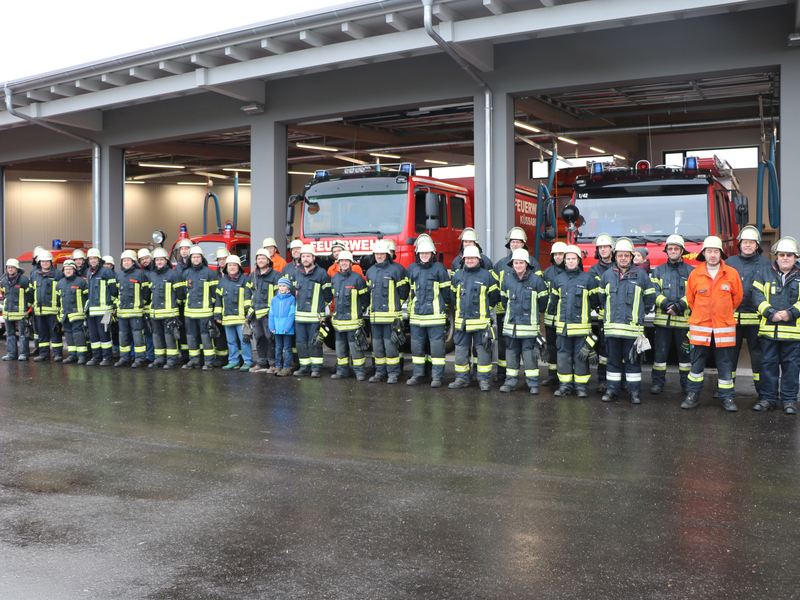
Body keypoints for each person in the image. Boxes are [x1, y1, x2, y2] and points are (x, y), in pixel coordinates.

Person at [682, 236, 743, 411]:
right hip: (701, 327)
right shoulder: (695, 273)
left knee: (725, 363)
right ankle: (692, 395)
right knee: (697, 363)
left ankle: (727, 398)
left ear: (721, 254)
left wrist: (720, 313)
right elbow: (691, 300)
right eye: (709, 251)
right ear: (704, 253)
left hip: (723, 327)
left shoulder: (731, 274)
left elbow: (737, 299)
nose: (713, 255)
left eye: (716, 251)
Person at [597, 237, 656, 404]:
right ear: (615, 256)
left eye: (626, 255)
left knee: (633, 363)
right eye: (620, 255)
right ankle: (612, 391)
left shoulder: (641, 276)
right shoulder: (607, 275)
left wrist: (638, 315)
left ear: (632, 257)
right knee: (613, 362)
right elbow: (602, 298)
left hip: (632, 330)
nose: (623, 258)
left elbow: (650, 299)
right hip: (612, 330)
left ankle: (634, 392)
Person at [752, 237, 800, 415]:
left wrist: (790, 313)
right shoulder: (763, 273)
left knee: (791, 368)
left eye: (789, 255)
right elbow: (757, 296)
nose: (785, 257)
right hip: (769, 331)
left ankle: (789, 401)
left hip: (793, 333)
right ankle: (768, 399)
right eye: (782, 254)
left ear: (795, 257)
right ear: (776, 256)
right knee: (768, 366)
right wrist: (771, 313)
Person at [726, 225, 772, 398]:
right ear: (740, 244)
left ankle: (761, 390)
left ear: (757, 245)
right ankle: (726, 388)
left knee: (757, 355)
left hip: (755, 319)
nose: (748, 245)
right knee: (731, 353)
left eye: (751, 242)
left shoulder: (766, 264)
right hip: (733, 318)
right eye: (745, 242)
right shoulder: (730, 262)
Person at [493, 227, 543, 383]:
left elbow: (540, 296)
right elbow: (497, 291)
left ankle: (530, 381)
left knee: (527, 351)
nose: (515, 244)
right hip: (507, 314)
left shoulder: (534, 264)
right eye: (513, 242)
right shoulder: (500, 264)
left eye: (518, 242)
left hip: (527, 316)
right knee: (506, 347)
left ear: (524, 244)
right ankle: (504, 375)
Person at [449, 246, 500, 391]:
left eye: (472, 258)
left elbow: (494, 297)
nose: (470, 260)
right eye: (467, 258)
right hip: (462, 323)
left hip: (480, 323)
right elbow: (453, 296)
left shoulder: (487, 276)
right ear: (463, 259)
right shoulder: (458, 275)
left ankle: (484, 380)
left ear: (479, 259)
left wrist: (484, 310)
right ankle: (461, 378)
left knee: (483, 352)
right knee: (460, 351)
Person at [498, 248, 548, 394]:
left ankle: (533, 384)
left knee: (529, 356)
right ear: (512, 264)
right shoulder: (506, 280)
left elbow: (543, 303)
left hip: (529, 329)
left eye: (521, 263)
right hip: (511, 328)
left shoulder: (537, 281)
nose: (518, 265)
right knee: (511, 355)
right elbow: (504, 301)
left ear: (526, 264)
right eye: (515, 263)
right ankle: (510, 382)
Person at [552, 245, 600, 397]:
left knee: (581, 357)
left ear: (579, 260)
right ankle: (565, 386)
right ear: (564, 261)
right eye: (568, 259)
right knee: (563, 357)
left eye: (573, 259)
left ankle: (581, 388)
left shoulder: (588, 279)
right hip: (563, 329)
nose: (570, 261)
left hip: (581, 330)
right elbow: (553, 303)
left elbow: (594, 301)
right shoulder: (558, 279)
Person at [650, 235, 694, 395]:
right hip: (663, 322)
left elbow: (694, 293)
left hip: (683, 323)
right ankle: (657, 383)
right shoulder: (658, 270)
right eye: (670, 248)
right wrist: (667, 304)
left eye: (676, 248)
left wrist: (680, 305)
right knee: (660, 355)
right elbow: (653, 291)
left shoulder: (691, 271)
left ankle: (687, 384)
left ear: (682, 251)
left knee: (685, 357)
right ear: (666, 251)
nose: (673, 251)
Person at [406, 238, 451, 387]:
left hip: (435, 317)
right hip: (417, 317)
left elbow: (446, 293)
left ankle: (437, 376)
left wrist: (441, 308)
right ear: (417, 254)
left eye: (427, 253)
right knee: (417, 347)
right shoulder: (412, 269)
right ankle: (418, 374)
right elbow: (410, 292)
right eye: (422, 253)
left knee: (437, 348)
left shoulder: (440, 268)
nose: (424, 255)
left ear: (433, 254)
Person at [366, 240, 409, 384]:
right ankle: (379, 372)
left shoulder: (396, 270)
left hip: (391, 319)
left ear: (387, 254)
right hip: (375, 319)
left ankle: (393, 373)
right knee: (377, 347)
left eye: (382, 254)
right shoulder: (371, 271)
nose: (379, 256)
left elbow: (403, 292)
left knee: (391, 346)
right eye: (377, 254)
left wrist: (397, 306)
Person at [293, 244, 333, 377]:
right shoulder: (296, 273)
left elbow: (328, 295)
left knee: (315, 343)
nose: (305, 259)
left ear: (313, 258)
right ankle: (305, 368)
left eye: (308, 256)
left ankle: (316, 369)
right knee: (301, 344)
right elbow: (293, 293)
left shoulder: (322, 274)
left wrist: (320, 309)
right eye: (303, 256)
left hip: (316, 318)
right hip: (300, 317)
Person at [330, 250, 370, 380]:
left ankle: (359, 372)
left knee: (356, 349)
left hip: (353, 323)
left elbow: (365, 298)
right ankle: (342, 371)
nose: (344, 263)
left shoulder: (357, 278)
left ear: (351, 263)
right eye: (342, 261)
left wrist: (359, 311)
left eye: (346, 261)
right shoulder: (334, 278)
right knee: (341, 349)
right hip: (339, 323)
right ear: (338, 263)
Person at [180, 245, 217, 370]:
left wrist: (210, 307)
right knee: (191, 336)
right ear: (190, 258)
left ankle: (208, 361)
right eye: (194, 257)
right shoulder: (186, 273)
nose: (196, 259)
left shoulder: (208, 272)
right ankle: (194, 360)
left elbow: (214, 293)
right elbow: (184, 292)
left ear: (202, 258)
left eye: (198, 257)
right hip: (190, 312)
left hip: (205, 312)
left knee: (206, 336)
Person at [215, 255, 253, 371]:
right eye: (229, 265)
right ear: (226, 267)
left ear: (239, 267)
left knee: (244, 341)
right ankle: (233, 361)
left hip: (241, 318)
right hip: (227, 317)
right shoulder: (222, 281)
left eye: (234, 265)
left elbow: (248, 298)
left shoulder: (244, 280)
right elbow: (218, 300)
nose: (232, 268)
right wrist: (218, 315)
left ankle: (247, 361)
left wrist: (248, 314)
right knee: (230, 342)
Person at [588, 233, 615, 394]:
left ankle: (622, 380)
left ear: (612, 248)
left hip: (621, 316)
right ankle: (603, 380)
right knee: (604, 350)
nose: (603, 250)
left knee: (621, 350)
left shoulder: (619, 265)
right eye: (600, 247)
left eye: (605, 247)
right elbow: (595, 293)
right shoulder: (594, 270)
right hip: (604, 316)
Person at [148, 247, 183, 369]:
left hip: (169, 313)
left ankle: (172, 361)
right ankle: (159, 360)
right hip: (155, 314)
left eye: (161, 260)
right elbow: (149, 294)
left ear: (166, 261)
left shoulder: (173, 275)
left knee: (169, 337)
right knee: (157, 337)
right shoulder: (152, 275)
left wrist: (174, 307)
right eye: (157, 260)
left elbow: (180, 294)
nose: (159, 262)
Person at [114, 250, 150, 368]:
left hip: (136, 312)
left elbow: (146, 293)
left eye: (128, 260)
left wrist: (141, 304)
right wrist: (117, 306)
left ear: (133, 262)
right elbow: (116, 293)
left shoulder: (140, 274)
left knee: (138, 336)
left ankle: (139, 359)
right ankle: (124, 358)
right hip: (122, 312)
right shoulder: (118, 275)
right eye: (124, 261)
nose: (126, 263)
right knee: (123, 335)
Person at [249, 248, 281, 373]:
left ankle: (272, 363)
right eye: (258, 258)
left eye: (263, 258)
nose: (260, 260)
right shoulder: (252, 276)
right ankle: (261, 362)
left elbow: (278, 295)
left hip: (269, 313)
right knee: (259, 337)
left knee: (270, 337)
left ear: (268, 260)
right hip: (256, 313)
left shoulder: (276, 275)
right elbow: (247, 293)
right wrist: (248, 309)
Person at [84, 248, 118, 366]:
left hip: (105, 311)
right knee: (93, 335)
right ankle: (96, 357)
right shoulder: (89, 272)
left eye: (95, 258)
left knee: (104, 334)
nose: (93, 260)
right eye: (91, 258)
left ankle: (107, 357)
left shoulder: (107, 272)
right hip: (92, 311)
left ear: (99, 259)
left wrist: (113, 306)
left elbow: (114, 291)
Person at [541, 241, 568, 386]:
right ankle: (552, 375)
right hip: (551, 318)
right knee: (551, 346)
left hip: (565, 318)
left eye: (561, 254)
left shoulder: (570, 270)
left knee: (564, 347)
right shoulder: (548, 272)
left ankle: (566, 375)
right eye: (556, 254)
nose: (558, 257)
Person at [30, 250, 64, 362]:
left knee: (55, 333)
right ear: (39, 262)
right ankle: (43, 354)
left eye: (47, 261)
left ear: (51, 262)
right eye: (43, 261)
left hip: (53, 311)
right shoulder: (35, 275)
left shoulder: (58, 274)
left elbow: (62, 292)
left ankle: (57, 354)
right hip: (39, 311)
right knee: (42, 334)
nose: (45, 263)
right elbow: (31, 292)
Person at [55, 260, 88, 364]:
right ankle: (72, 356)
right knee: (68, 335)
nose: (68, 271)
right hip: (65, 315)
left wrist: (85, 312)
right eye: (66, 269)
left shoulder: (81, 282)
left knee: (78, 335)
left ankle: (82, 356)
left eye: (70, 269)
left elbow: (87, 298)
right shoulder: (60, 283)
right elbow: (57, 301)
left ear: (74, 270)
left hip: (77, 314)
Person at [1, 258, 33, 361]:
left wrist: (26, 309)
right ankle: (11, 354)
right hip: (8, 313)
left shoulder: (24, 280)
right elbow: (4, 296)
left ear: (17, 269)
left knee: (23, 335)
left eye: (12, 267)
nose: (10, 269)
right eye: (8, 267)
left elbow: (30, 296)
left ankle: (24, 354)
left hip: (20, 313)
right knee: (10, 335)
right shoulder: (3, 281)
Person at [269, 277, 296, 376]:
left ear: (288, 287)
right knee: (278, 348)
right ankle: (278, 366)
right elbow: (271, 314)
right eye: (280, 286)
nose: (281, 288)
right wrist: (271, 327)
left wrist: (287, 328)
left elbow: (291, 314)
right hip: (276, 329)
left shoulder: (292, 299)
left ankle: (286, 367)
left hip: (286, 330)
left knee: (288, 348)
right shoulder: (274, 299)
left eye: (284, 286)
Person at [211, 247, 231, 366]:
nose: (222, 261)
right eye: (220, 259)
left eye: (224, 259)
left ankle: (235, 359)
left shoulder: (234, 273)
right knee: (220, 336)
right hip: (218, 309)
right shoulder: (213, 275)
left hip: (231, 310)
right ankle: (221, 359)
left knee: (233, 336)